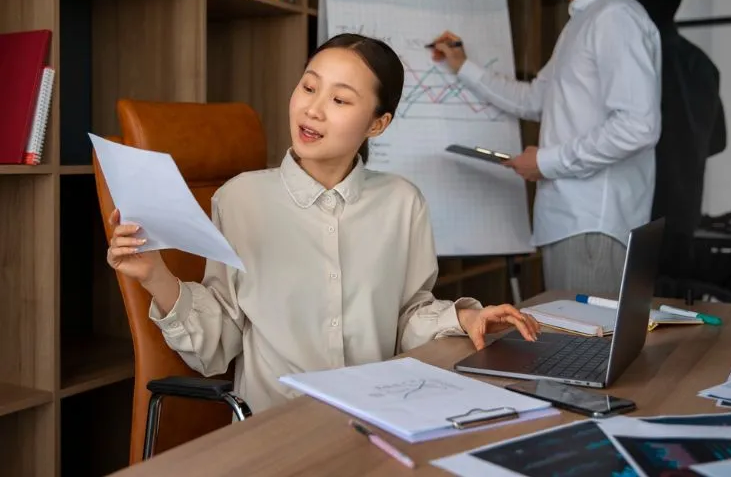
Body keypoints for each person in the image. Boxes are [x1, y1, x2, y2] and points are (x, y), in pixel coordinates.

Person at [105, 33, 541, 415]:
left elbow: (406, 316)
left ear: (377, 123)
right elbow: (219, 340)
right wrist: (154, 275)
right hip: (279, 426)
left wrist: (465, 316)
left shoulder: (402, 203)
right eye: (309, 86)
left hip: (378, 416)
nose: (313, 109)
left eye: (339, 99)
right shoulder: (239, 199)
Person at [430, 0, 662, 296]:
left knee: (588, 353)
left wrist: (548, 162)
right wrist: (463, 66)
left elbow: (638, 126)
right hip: (572, 222)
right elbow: (535, 99)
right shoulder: (583, 24)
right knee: (577, 349)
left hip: (592, 224)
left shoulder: (615, 19)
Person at [616, 0, 725, 281]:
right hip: (684, 212)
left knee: (628, 317)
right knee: (670, 313)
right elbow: (718, 140)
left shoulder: (638, 59)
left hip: (637, 211)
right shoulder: (703, 64)